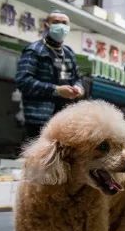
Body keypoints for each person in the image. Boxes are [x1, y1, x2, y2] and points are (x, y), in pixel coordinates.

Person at [16, 11, 83, 141]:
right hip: (39, 119)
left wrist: (78, 88)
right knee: (40, 156)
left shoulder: (69, 53)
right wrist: (56, 90)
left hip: (64, 121)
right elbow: (23, 81)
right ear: (46, 25)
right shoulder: (34, 50)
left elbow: (78, 79)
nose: (61, 26)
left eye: (64, 23)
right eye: (56, 22)